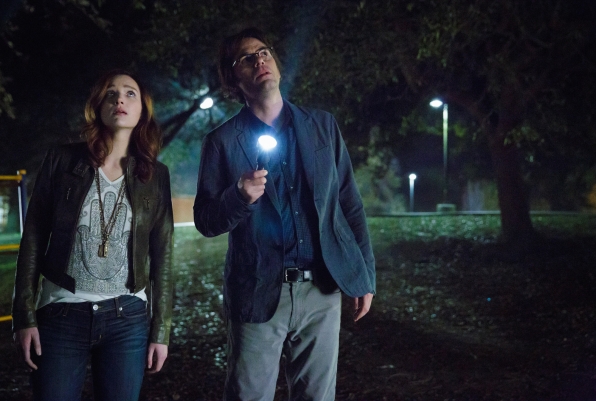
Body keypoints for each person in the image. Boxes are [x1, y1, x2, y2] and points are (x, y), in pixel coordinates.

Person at [194, 27, 375, 400]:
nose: (259, 60)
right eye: (247, 58)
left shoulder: (322, 126)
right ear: (233, 78)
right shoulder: (222, 141)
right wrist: (238, 196)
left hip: (322, 290)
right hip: (257, 290)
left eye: (264, 52)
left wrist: (364, 275)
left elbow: (348, 203)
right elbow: (206, 220)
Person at [12, 69, 174, 401]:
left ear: (142, 110)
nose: (120, 99)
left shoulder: (156, 175)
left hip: (127, 318)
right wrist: (24, 316)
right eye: (111, 93)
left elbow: (164, 257)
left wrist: (161, 331)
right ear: (98, 106)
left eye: (130, 93)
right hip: (61, 313)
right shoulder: (61, 160)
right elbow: (33, 238)